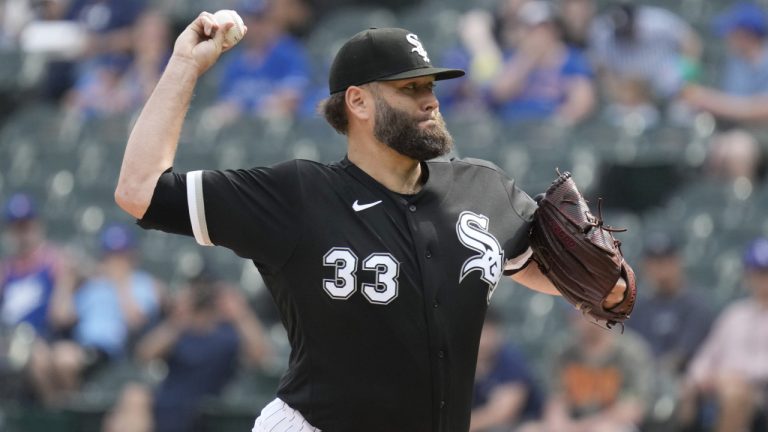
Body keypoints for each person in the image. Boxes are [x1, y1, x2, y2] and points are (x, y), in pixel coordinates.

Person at [114, 14, 629, 431]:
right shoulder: (298, 194)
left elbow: (529, 266)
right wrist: (184, 64)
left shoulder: (483, 190)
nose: (430, 100)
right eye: (409, 88)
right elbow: (140, 192)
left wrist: (595, 290)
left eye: (430, 85)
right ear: (358, 101)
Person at [102, 271, 271, 432]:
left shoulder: (228, 332)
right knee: (134, 396)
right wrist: (180, 317)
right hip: (169, 401)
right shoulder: (180, 329)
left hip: (204, 407)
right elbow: (145, 354)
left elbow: (261, 356)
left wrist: (240, 312)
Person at [44, 223, 161, 401]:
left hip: (116, 352)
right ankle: (67, 412)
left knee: (64, 359)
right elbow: (60, 318)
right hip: (85, 348)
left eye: (121, 255)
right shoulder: (94, 285)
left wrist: (120, 282)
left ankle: (73, 412)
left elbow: (137, 321)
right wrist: (67, 281)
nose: (115, 261)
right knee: (44, 360)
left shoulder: (142, 284)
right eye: (111, 255)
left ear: (132, 256)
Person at [678, 237, 768, 432]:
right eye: (758, 273)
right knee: (679, 390)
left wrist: (734, 376)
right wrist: (696, 379)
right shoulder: (735, 314)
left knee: (735, 394)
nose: (762, 279)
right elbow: (707, 354)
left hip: (758, 392)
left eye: (766, 273)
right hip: (718, 386)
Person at [518, 310, 654, 432]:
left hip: (613, 424)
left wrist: (581, 427)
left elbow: (633, 408)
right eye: (580, 314)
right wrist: (559, 424)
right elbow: (556, 399)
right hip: (572, 421)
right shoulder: (564, 351)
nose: (585, 321)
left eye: (591, 313)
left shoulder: (630, 352)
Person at [627, 232, 712, 375]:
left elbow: (684, 354)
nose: (662, 269)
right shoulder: (636, 307)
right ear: (645, 266)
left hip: (682, 380)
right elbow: (628, 346)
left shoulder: (695, 306)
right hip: (641, 377)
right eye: (655, 262)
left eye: (666, 260)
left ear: (678, 262)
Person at [470, 308, 543, 432]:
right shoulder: (460, 361)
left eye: (488, 331)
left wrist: (458, 426)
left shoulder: (510, 358)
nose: (484, 339)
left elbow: (504, 412)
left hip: (522, 423)